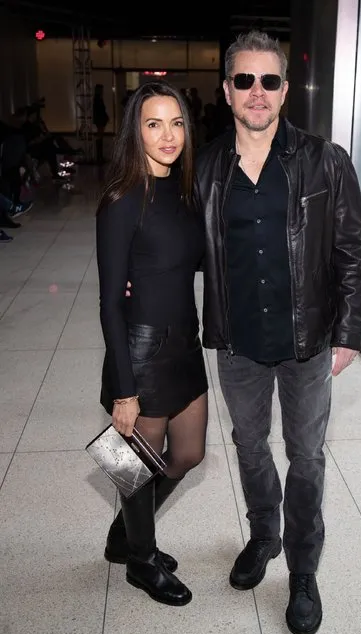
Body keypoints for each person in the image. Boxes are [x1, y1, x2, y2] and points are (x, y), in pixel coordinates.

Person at [195, 30, 361, 634]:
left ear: (285, 90)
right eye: (245, 80)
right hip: (239, 343)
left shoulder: (325, 159)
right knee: (248, 446)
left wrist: (349, 330)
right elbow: (187, 244)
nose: (257, 92)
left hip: (307, 343)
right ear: (227, 90)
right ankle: (263, 535)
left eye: (269, 80)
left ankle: (301, 570)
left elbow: (350, 250)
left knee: (306, 456)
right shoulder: (210, 165)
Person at [96, 80, 208, 607]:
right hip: (142, 351)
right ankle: (140, 558)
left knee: (187, 455)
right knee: (136, 466)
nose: (169, 136)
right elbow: (109, 303)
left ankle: (126, 534)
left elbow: (196, 259)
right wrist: (124, 389)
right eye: (154, 124)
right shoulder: (121, 200)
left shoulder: (184, 192)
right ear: (135, 132)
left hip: (185, 344)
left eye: (177, 122)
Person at [93, 84, 109, 164]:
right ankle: (99, 156)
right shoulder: (98, 100)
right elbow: (99, 111)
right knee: (100, 137)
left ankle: (100, 156)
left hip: (100, 120)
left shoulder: (98, 99)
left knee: (100, 137)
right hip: (100, 120)